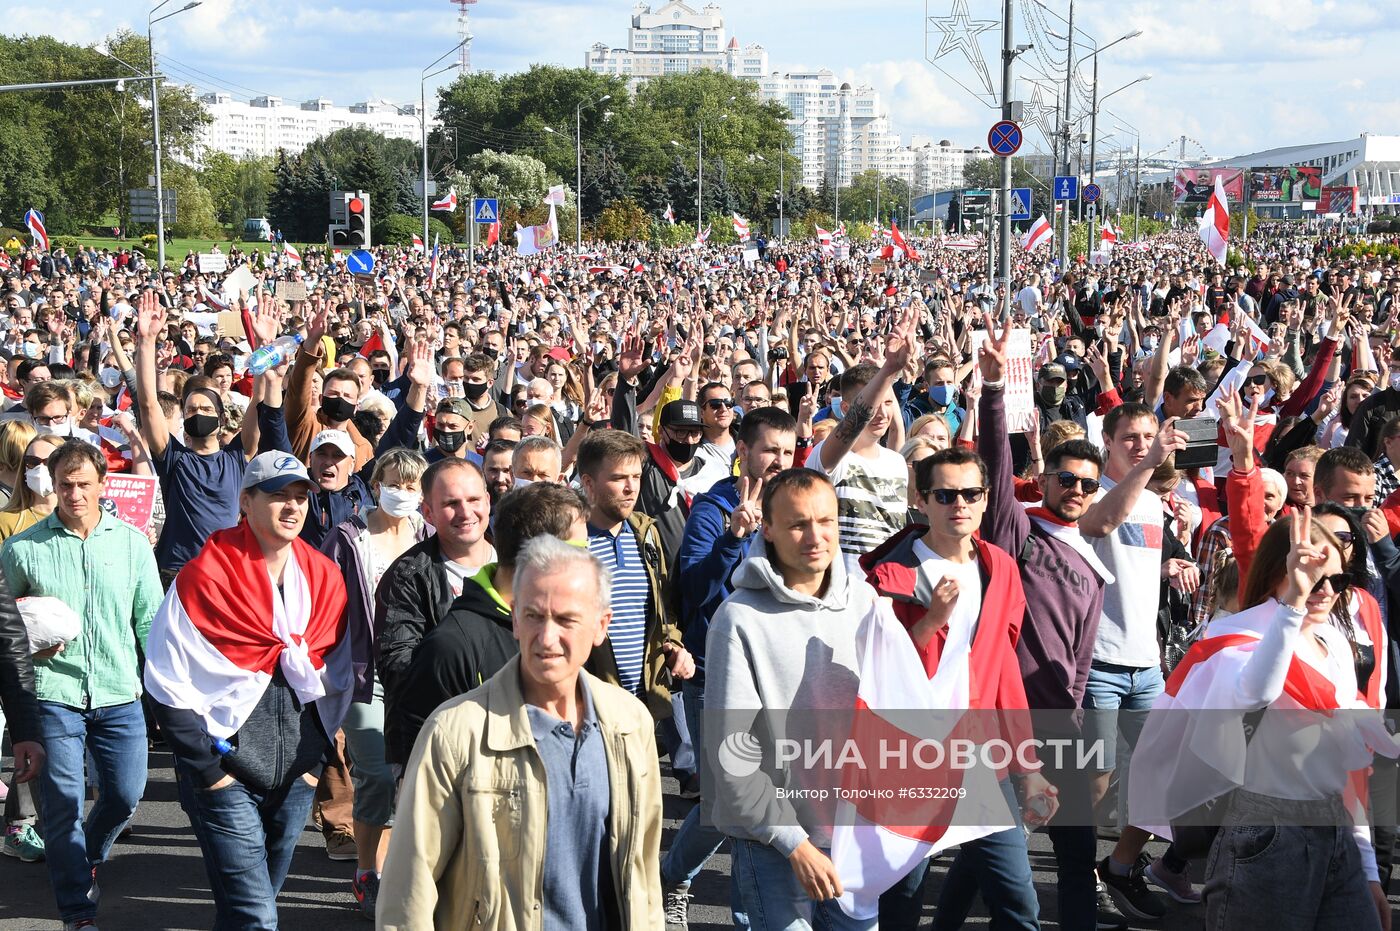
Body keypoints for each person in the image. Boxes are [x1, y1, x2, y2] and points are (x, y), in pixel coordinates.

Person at [377, 536, 664, 929]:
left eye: (565, 619)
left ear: (601, 626)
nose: (546, 638)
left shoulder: (631, 723)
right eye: (533, 616)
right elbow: (408, 888)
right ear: (513, 619)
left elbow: (643, 871)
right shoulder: (454, 732)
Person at [1128, 512, 1397, 931]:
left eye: (1336, 580)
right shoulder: (1238, 640)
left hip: (1336, 830)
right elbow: (1257, 691)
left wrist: (1368, 870)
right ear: (1279, 574)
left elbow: (1349, 773)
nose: (1325, 591)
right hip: (1267, 836)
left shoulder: (1335, 643)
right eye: (1311, 578)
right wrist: (1292, 605)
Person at [144, 451, 352, 930]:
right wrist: (208, 770)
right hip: (223, 771)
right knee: (258, 916)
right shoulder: (203, 578)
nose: (292, 507)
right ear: (246, 502)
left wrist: (313, 765)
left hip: (296, 776)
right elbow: (164, 680)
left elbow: (337, 677)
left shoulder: (325, 577)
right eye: (278, 496)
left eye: (300, 497)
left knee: (246, 911)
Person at [864, 446, 1057, 930]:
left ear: (987, 498)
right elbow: (877, 670)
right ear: (922, 499)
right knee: (901, 900)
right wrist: (931, 621)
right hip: (910, 760)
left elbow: (1004, 670)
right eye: (945, 494)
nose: (960, 504)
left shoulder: (1000, 567)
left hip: (980, 761)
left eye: (971, 493)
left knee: (1018, 902)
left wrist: (1028, 766)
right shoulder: (886, 574)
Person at [974, 314, 1123, 930]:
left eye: (1088, 484)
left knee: (1075, 850)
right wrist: (991, 392)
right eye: (1066, 479)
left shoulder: (1091, 557)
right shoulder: (1019, 532)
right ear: (1047, 479)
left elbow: (1082, 658)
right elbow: (993, 472)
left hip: (1064, 721)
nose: (1077, 491)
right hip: (1006, 718)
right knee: (985, 851)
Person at [706, 468, 879, 930]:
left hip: (855, 838)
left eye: (826, 521)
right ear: (768, 527)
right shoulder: (738, 619)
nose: (815, 536)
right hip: (776, 845)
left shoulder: (865, 602)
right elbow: (732, 752)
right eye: (798, 523)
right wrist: (792, 843)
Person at [2, 440, 162, 931]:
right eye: (65, 484)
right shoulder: (21, 549)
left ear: (102, 484)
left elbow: (150, 623)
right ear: (53, 484)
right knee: (63, 806)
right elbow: (6, 632)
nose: (74, 493)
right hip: (53, 697)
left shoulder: (132, 543)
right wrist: (32, 645)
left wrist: (167, 698)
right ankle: (77, 910)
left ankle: (82, 855)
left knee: (124, 796)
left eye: (84, 484)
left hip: (119, 694)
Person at [662, 406, 798, 927]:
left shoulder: (792, 507)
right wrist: (734, 539)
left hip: (776, 675)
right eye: (770, 450)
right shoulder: (712, 509)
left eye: (788, 452)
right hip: (714, 673)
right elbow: (693, 591)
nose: (779, 461)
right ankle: (679, 879)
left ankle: (722, 900)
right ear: (742, 451)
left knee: (748, 797)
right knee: (729, 800)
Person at [1076, 402, 1192, 919]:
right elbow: (1099, 526)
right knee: (1094, 788)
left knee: (1162, 774)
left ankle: (1118, 868)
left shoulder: (1155, 502)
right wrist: (1148, 469)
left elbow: (1136, 561)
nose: (1142, 444)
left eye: (1148, 436)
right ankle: (1080, 874)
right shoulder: (1092, 491)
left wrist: (1172, 563)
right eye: (1130, 437)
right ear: (1107, 439)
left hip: (1146, 662)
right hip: (1099, 658)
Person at [392, 482, 588, 766]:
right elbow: (424, 760)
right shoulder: (452, 645)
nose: (590, 561)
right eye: (581, 548)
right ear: (543, 557)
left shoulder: (569, 625)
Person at [319, 448, 428, 918]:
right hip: (366, 675)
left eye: (410, 486)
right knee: (378, 774)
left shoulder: (429, 535)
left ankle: (406, 871)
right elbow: (322, 599)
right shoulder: (348, 537)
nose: (400, 493)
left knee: (416, 776)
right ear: (375, 483)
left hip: (419, 673)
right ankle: (368, 870)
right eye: (393, 483)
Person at [376, 457, 495, 766]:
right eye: (451, 503)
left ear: (488, 500)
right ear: (427, 512)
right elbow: (398, 666)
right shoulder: (407, 576)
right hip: (437, 745)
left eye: (473, 500)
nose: (466, 512)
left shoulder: (517, 563)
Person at [577, 430, 693, 714]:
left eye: (637, 477)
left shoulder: (647, 535)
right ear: (588, 483)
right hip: (591, 708)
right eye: (618, 478)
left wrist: (675, 647)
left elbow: (664, 612)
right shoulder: (573, 543)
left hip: (646, 707)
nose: (631, 488)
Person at [809, 309, 916, 568]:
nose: (881, 412)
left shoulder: (896, 463)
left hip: (886, 593)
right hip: (841, 594)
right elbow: (855, 423)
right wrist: (889, 369)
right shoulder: (828, 457)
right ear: (846, 409)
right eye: (874, 403)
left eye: (888, 403)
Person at [0, 434, 63, 542]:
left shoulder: (79, 517)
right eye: (32, 462)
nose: (40, 468)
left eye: (50, 462)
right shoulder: (6, 520)